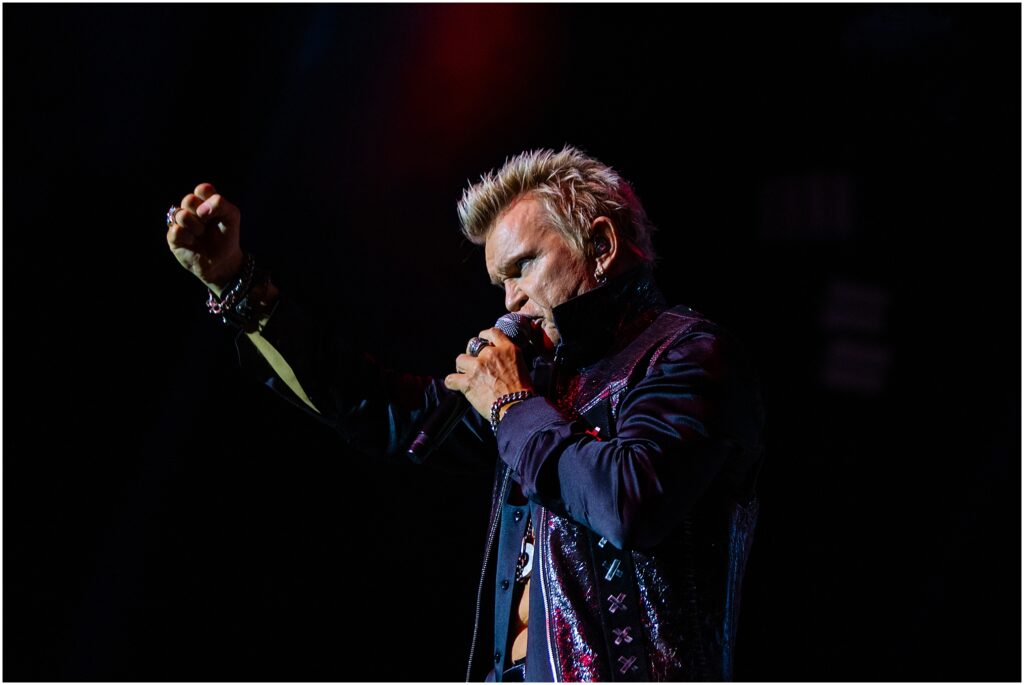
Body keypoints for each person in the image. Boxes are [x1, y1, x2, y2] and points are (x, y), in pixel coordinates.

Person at [165, 146, 764, 682]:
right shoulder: (541, 385)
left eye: (522, 267)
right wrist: (238, 285)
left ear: (601, 246)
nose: (509, 302)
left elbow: (630, 499)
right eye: (498, 281)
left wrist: (510, 403)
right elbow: (382, 411)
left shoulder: (687, 355)